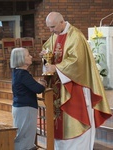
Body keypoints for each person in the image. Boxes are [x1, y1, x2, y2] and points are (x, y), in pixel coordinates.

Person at [40, 12, 112, 150]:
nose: (51, 30)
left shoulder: (76, 36)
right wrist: (45, 57)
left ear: (62, 22)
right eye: (49, 27)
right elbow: (48, 53)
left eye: (53, 27)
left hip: (75, 86)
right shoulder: (55, 35)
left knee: (74, 122)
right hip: (59, 87)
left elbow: (78, 62)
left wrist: (57, 67)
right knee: (59, 123)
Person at [10, 47, 47, 150]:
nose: (31, 56)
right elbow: (38, 88)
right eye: (27, 55)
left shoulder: (18, 72)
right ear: (21, 59)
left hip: (21, 107)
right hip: (25, 108)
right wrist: (43, 83)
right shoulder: (22, 74)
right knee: (24, 137)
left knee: (24, 136)